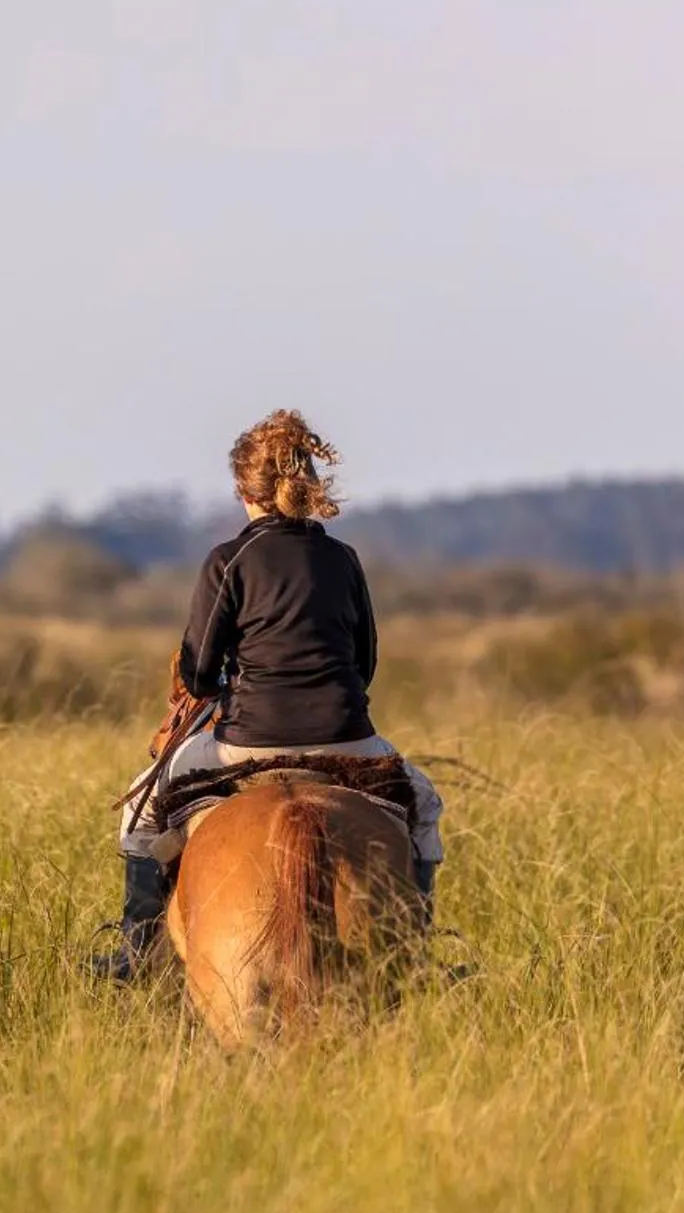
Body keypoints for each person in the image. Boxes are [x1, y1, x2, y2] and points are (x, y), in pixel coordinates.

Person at [96, 410, 445, 981]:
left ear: (245, 492)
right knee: (424, 807)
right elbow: (365, 664)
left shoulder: (227, 559)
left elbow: (199, 673)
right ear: (308, 485)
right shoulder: (344, 559)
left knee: (139, 813)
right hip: (348, 741)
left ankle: (136, 954)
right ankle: (419, 954)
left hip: (245, 744)